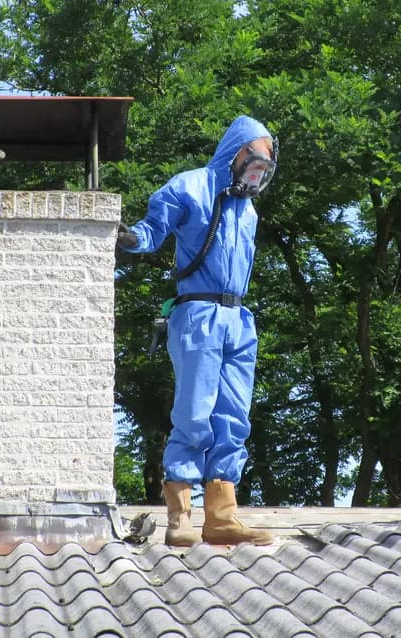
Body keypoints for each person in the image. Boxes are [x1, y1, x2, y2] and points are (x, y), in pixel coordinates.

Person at [117, 115, 277, 547]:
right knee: (194, 411)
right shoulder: (190, 186)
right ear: (236, 151)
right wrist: (133, 240)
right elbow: (154, 228)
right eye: (254, 160)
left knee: (234, 415)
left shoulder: (249, 210)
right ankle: (180, 515)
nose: (257, 172)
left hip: (239, 320)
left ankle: (222, 515)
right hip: (199, 313)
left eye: (265, 166)